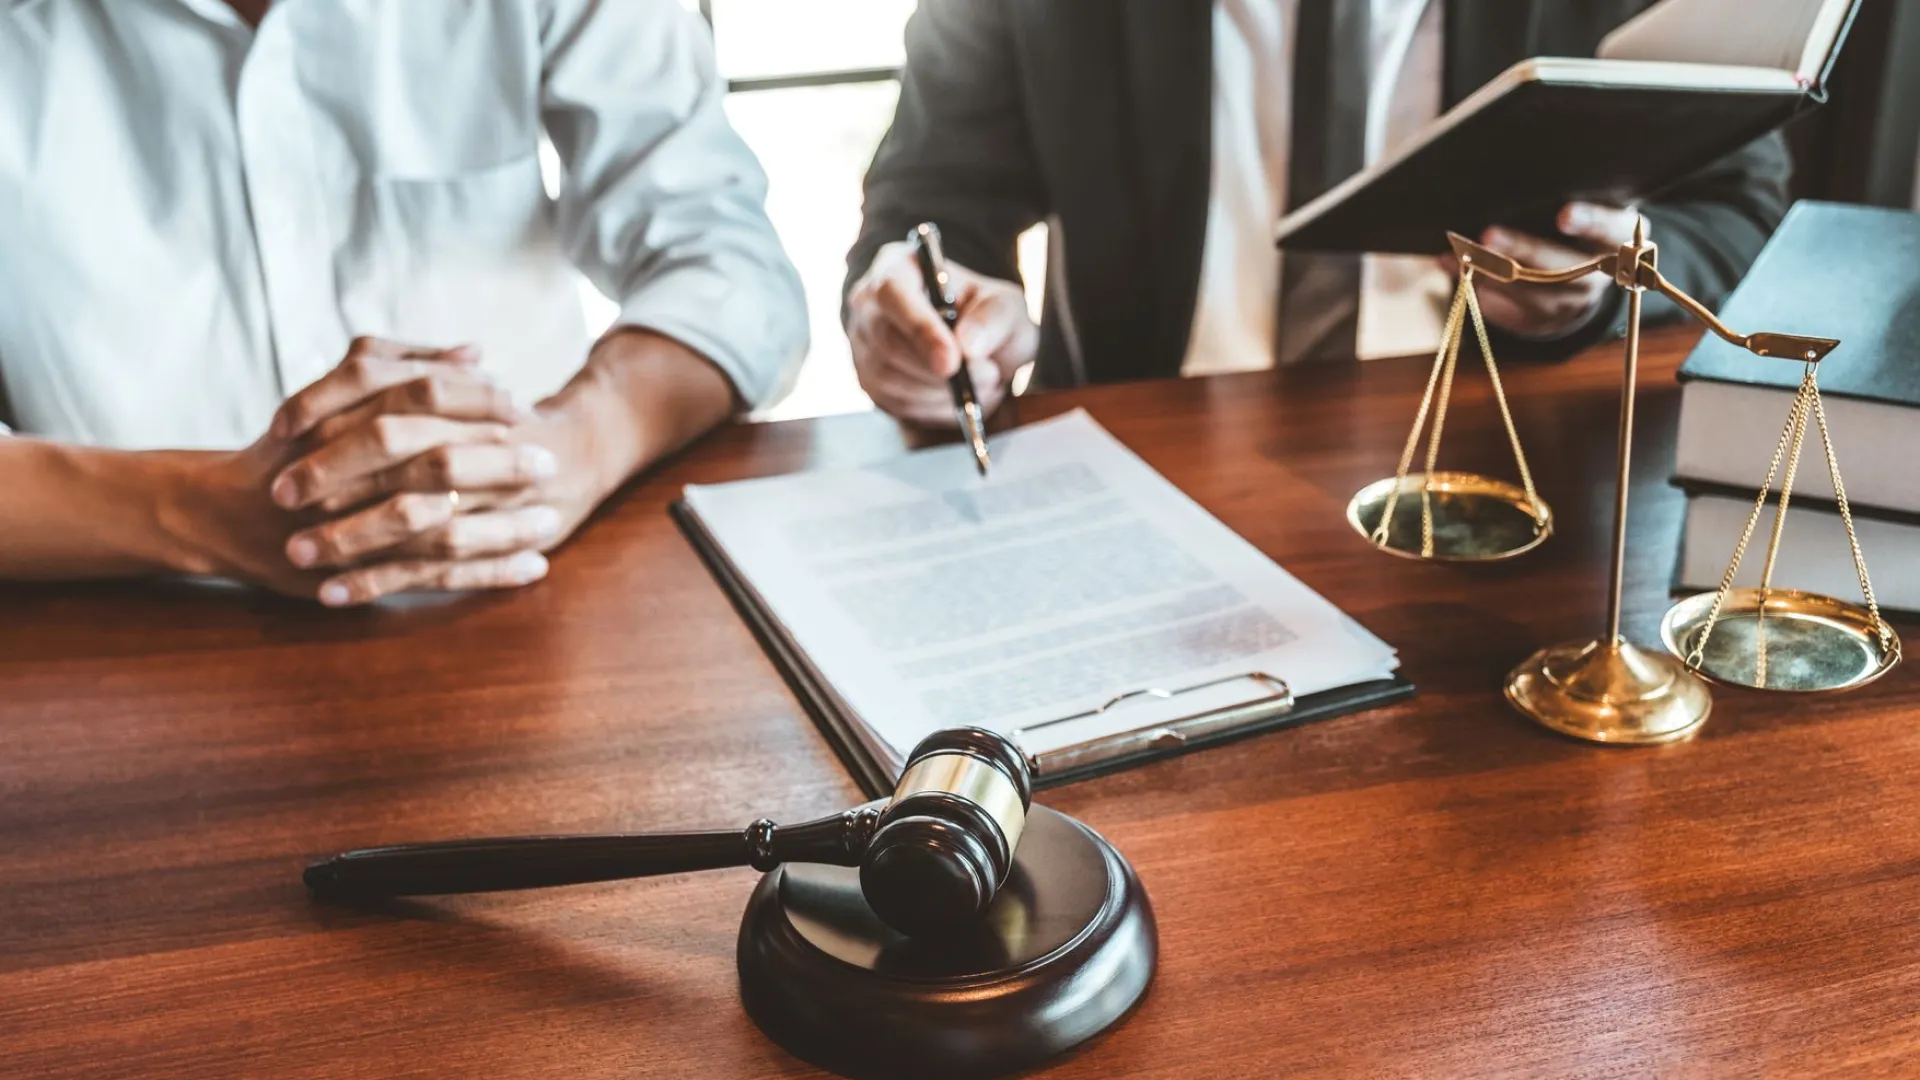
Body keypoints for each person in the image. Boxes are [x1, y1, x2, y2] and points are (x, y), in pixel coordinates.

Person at [0, 0, 806, 606]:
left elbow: (731, 266)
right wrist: (192, 509)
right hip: (117, 633)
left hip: (535, 595)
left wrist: (576, 444)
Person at [844, 0, 1791, 426]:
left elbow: (1737, 211)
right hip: (1141, 454)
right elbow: (932, 203)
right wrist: (929, 312)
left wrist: (1600, 286)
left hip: (1502, 476)